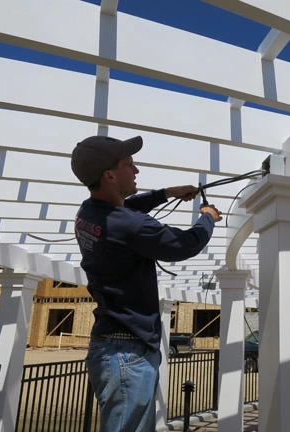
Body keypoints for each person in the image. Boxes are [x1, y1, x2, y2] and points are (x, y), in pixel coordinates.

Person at [70, 135, 222, 432]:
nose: (137, 170)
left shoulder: (88, 212)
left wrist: (167, 193)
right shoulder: (129, 224)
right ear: (110, 175)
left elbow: (131, 206)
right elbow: (185, 244)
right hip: (127, 352)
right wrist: (208, 218)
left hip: (114, 346)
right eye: (130, 164)